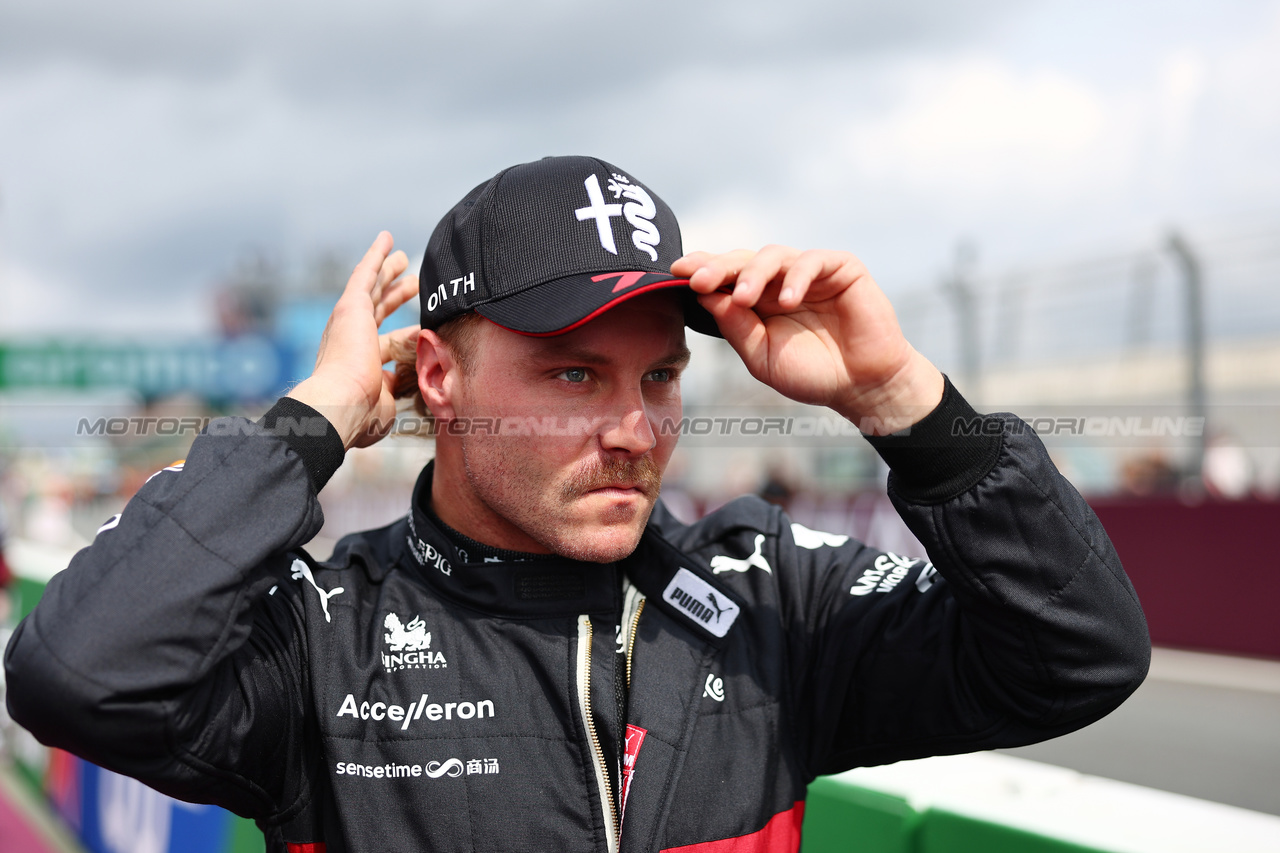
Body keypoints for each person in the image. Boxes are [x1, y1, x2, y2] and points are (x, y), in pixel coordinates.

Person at [4, 156, 1149, 853]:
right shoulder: (323, 632)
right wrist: (310, 420)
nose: (635, 426)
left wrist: (902, 399)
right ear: (435, 380)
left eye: (657, 376)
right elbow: (73, 671)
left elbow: (1077, 654)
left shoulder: (766, 599)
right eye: (572, 375)